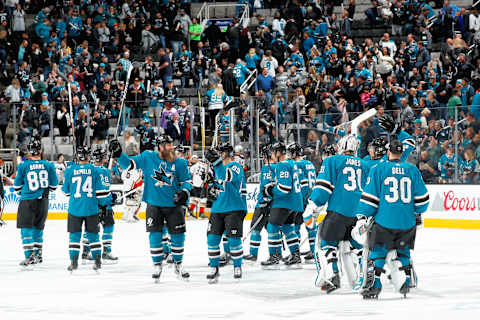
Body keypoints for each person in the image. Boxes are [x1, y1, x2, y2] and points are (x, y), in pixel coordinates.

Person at [109, 134, 192, 282]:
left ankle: (178, 264)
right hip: (154, 205)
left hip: (174, 205)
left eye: (171, 144)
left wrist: (185, 192)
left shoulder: (180, 162)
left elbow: (187, 181)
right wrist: (118, 154)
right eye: (167, 145)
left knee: (178, 237)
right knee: (154, 236)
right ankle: (157, 265)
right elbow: (129, 164)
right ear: (160, 147)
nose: (171, 147)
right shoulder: (148, 157)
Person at [356, 140, 429, 299]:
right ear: (401, 153)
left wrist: (363, 216)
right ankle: (407, 280)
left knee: (378, 252)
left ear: (388, 152)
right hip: (407, 223)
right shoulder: (412, 170)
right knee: (403, 252)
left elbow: (370, 200)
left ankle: (374, 284)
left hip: (385, 222)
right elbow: (423, 201)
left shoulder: (379, 169)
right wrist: (415, 211)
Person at [303, 135, 370, 293]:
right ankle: (363, 277)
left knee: (326, 243)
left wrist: (313, 206)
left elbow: (323, 189)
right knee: (359, 248)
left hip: (337, 213)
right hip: (359, 216)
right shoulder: (365, 166)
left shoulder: (332, 160)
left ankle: (333, 274)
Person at [62, 147, 110, 273]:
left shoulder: (70, 170)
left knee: (74, 237)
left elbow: (66, 192)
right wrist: (105, 204)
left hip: (74, 209)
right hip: (91, 208)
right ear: (89, 156)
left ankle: (73, 262)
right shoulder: (95, 170)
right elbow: (101, 193)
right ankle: (98, 262)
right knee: (94, 237)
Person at [204, 143, 247, 282]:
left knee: (234, 240)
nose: (217, 155)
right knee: (212, 239)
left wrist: (215, 163)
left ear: (224, 154)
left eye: (219, 153)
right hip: (218, 208)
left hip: (234, 207)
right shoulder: (217, 168)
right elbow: (216, 186)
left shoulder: (235, 166)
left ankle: (237, 266)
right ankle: (214, 268)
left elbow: (226, 176)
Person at [14, 138, 58, 267]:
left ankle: (29, 256)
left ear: (29, 151)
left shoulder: (23, 165)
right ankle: (38, 254)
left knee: (26, 228)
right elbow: (54, 186)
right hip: (43, 201)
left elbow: (16, 187)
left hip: (28, 200)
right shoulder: (49, 165)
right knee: (38, 228)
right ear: (40, 151)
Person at [260, 142, 303, 269]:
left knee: (272, 226)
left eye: (273, 152)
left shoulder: (282, 165)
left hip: (284, 202)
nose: (271, 155)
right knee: (288, 228)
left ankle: (275, 255)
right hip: (295, 202)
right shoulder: (292, 163)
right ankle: (296, 254)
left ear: (278, 153)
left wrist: (270, 190)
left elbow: (284, 188)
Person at [81, 147, 118, 263]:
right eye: (104, 156)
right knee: (108, 226)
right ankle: (106, 251)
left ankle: (85, 251)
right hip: (102, 205)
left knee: (89, 228)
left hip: (89, 204)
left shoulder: (88, 169)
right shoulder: (104, 171)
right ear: (102, 158)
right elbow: (103, 192)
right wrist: (111, 199)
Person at [244, 144, 276, 262]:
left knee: (255, 228)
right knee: (273, 231)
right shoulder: (278, 167)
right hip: (272, 205)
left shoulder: (267, 168)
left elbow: (268, 187)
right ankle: (277, 253)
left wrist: (264, 201)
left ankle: (253, 254)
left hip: (263, 205)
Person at [287, 143, 317, 262]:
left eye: (290, 153)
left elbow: (302, 184)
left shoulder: (297, 164)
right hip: (312, 197)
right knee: (311, 226)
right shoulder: (309, 163)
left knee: (296, 226)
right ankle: (314, 251)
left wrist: (301, 200)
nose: (289, 155)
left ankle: (296, 254)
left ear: (295, 153)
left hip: (303, 199)